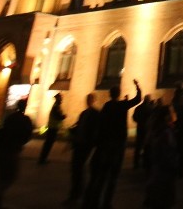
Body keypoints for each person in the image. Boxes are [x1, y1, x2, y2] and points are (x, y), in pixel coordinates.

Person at [83, 79, 142, 209]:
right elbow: (138, 99)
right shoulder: (122, 105)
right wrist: (137, 86)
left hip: (105, 144)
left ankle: (94, 201)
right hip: (117, 144)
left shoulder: (106, 107)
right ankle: (106, 203)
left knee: (101, 175)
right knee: (113, 176)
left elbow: (101, 125)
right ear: (118, 94)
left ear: (110, 94)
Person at [0, 98, 33, 208]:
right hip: (12, 151)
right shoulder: (25, 119)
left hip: (2, 149)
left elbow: (2, 128)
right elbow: (27, 136)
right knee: (11, 176)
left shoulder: (10, 117)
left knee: (2, 176)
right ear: (24, 107)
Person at [65, 93, 100, 205]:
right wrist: (72, 132)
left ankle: (79, 193)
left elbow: (95, 130)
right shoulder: (84, 113)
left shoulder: (95, 114)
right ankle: (76, 192)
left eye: (90, 99)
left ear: (93, 100)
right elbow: (79, 127)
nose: (88, 101)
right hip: (79, 144)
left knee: (79, 168)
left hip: (86, 145)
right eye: (87, 99)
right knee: (76, 169)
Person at [145, 103, 179, 209]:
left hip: (158, 171)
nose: (175, 113)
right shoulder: (166, 133)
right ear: (167, 116)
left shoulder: (159, 130)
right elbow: (167, 155)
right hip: (164, 174)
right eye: (172, 111)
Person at [39, 93, 67, 164]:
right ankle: (42, 159)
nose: (61, 100)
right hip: (52, 128)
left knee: (48, 144)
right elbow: (58, 116)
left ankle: (43, 159)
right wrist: (63, 116)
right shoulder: (56, 107)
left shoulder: (56, 106)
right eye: (60, 98)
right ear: (58, 99)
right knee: (48, 144)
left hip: (53, 128)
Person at [132, 94, 154, 170]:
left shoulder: (138, 108)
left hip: (139, 128)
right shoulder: (150, 108)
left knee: (138, 146)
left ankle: (136, 163)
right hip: (147, 129)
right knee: (146, 146)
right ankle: (145, 163)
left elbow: (134, 118)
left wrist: (139, 121)